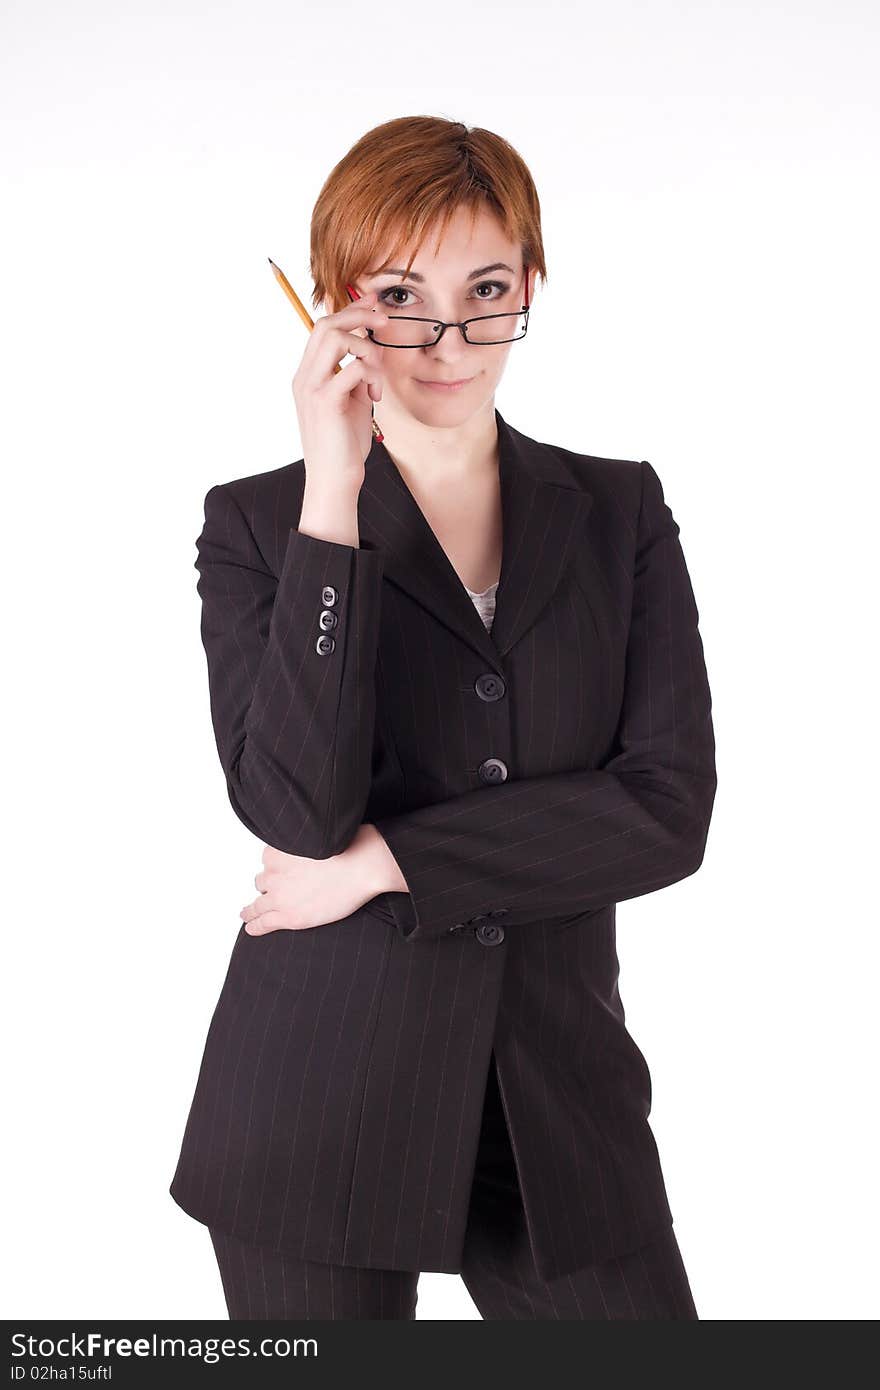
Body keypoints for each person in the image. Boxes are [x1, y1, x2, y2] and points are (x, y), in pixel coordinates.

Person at [168, 114, 717, 1320]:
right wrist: (332, 488)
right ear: (331, 305)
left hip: (555, 1114)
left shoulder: (618, 511)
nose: (450, 338)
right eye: (402, 295)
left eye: (486, 290)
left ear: (530, 282)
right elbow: (294, 809)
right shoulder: (260, 526)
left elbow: (665, 813)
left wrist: (389, 862)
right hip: (320, 1096)